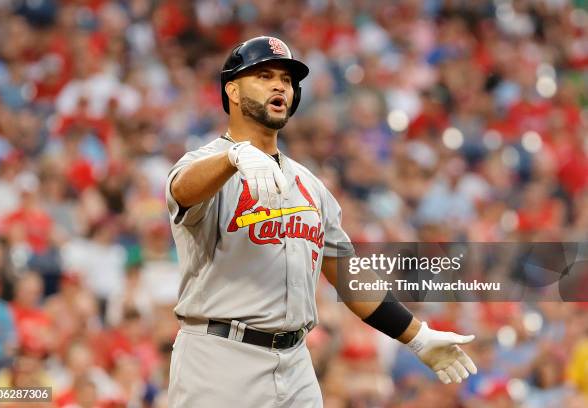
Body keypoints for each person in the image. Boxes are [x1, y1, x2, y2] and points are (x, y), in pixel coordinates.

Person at [165, 36, 478, 407]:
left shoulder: (310, 186)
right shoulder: (206, 163)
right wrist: (233, 158)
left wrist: (417, 335)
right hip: (220, 358)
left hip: (295, 363)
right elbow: (182, 190)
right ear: (232, 90)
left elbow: (347, 274)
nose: (280, 85)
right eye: (264, 76)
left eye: (286, 78)